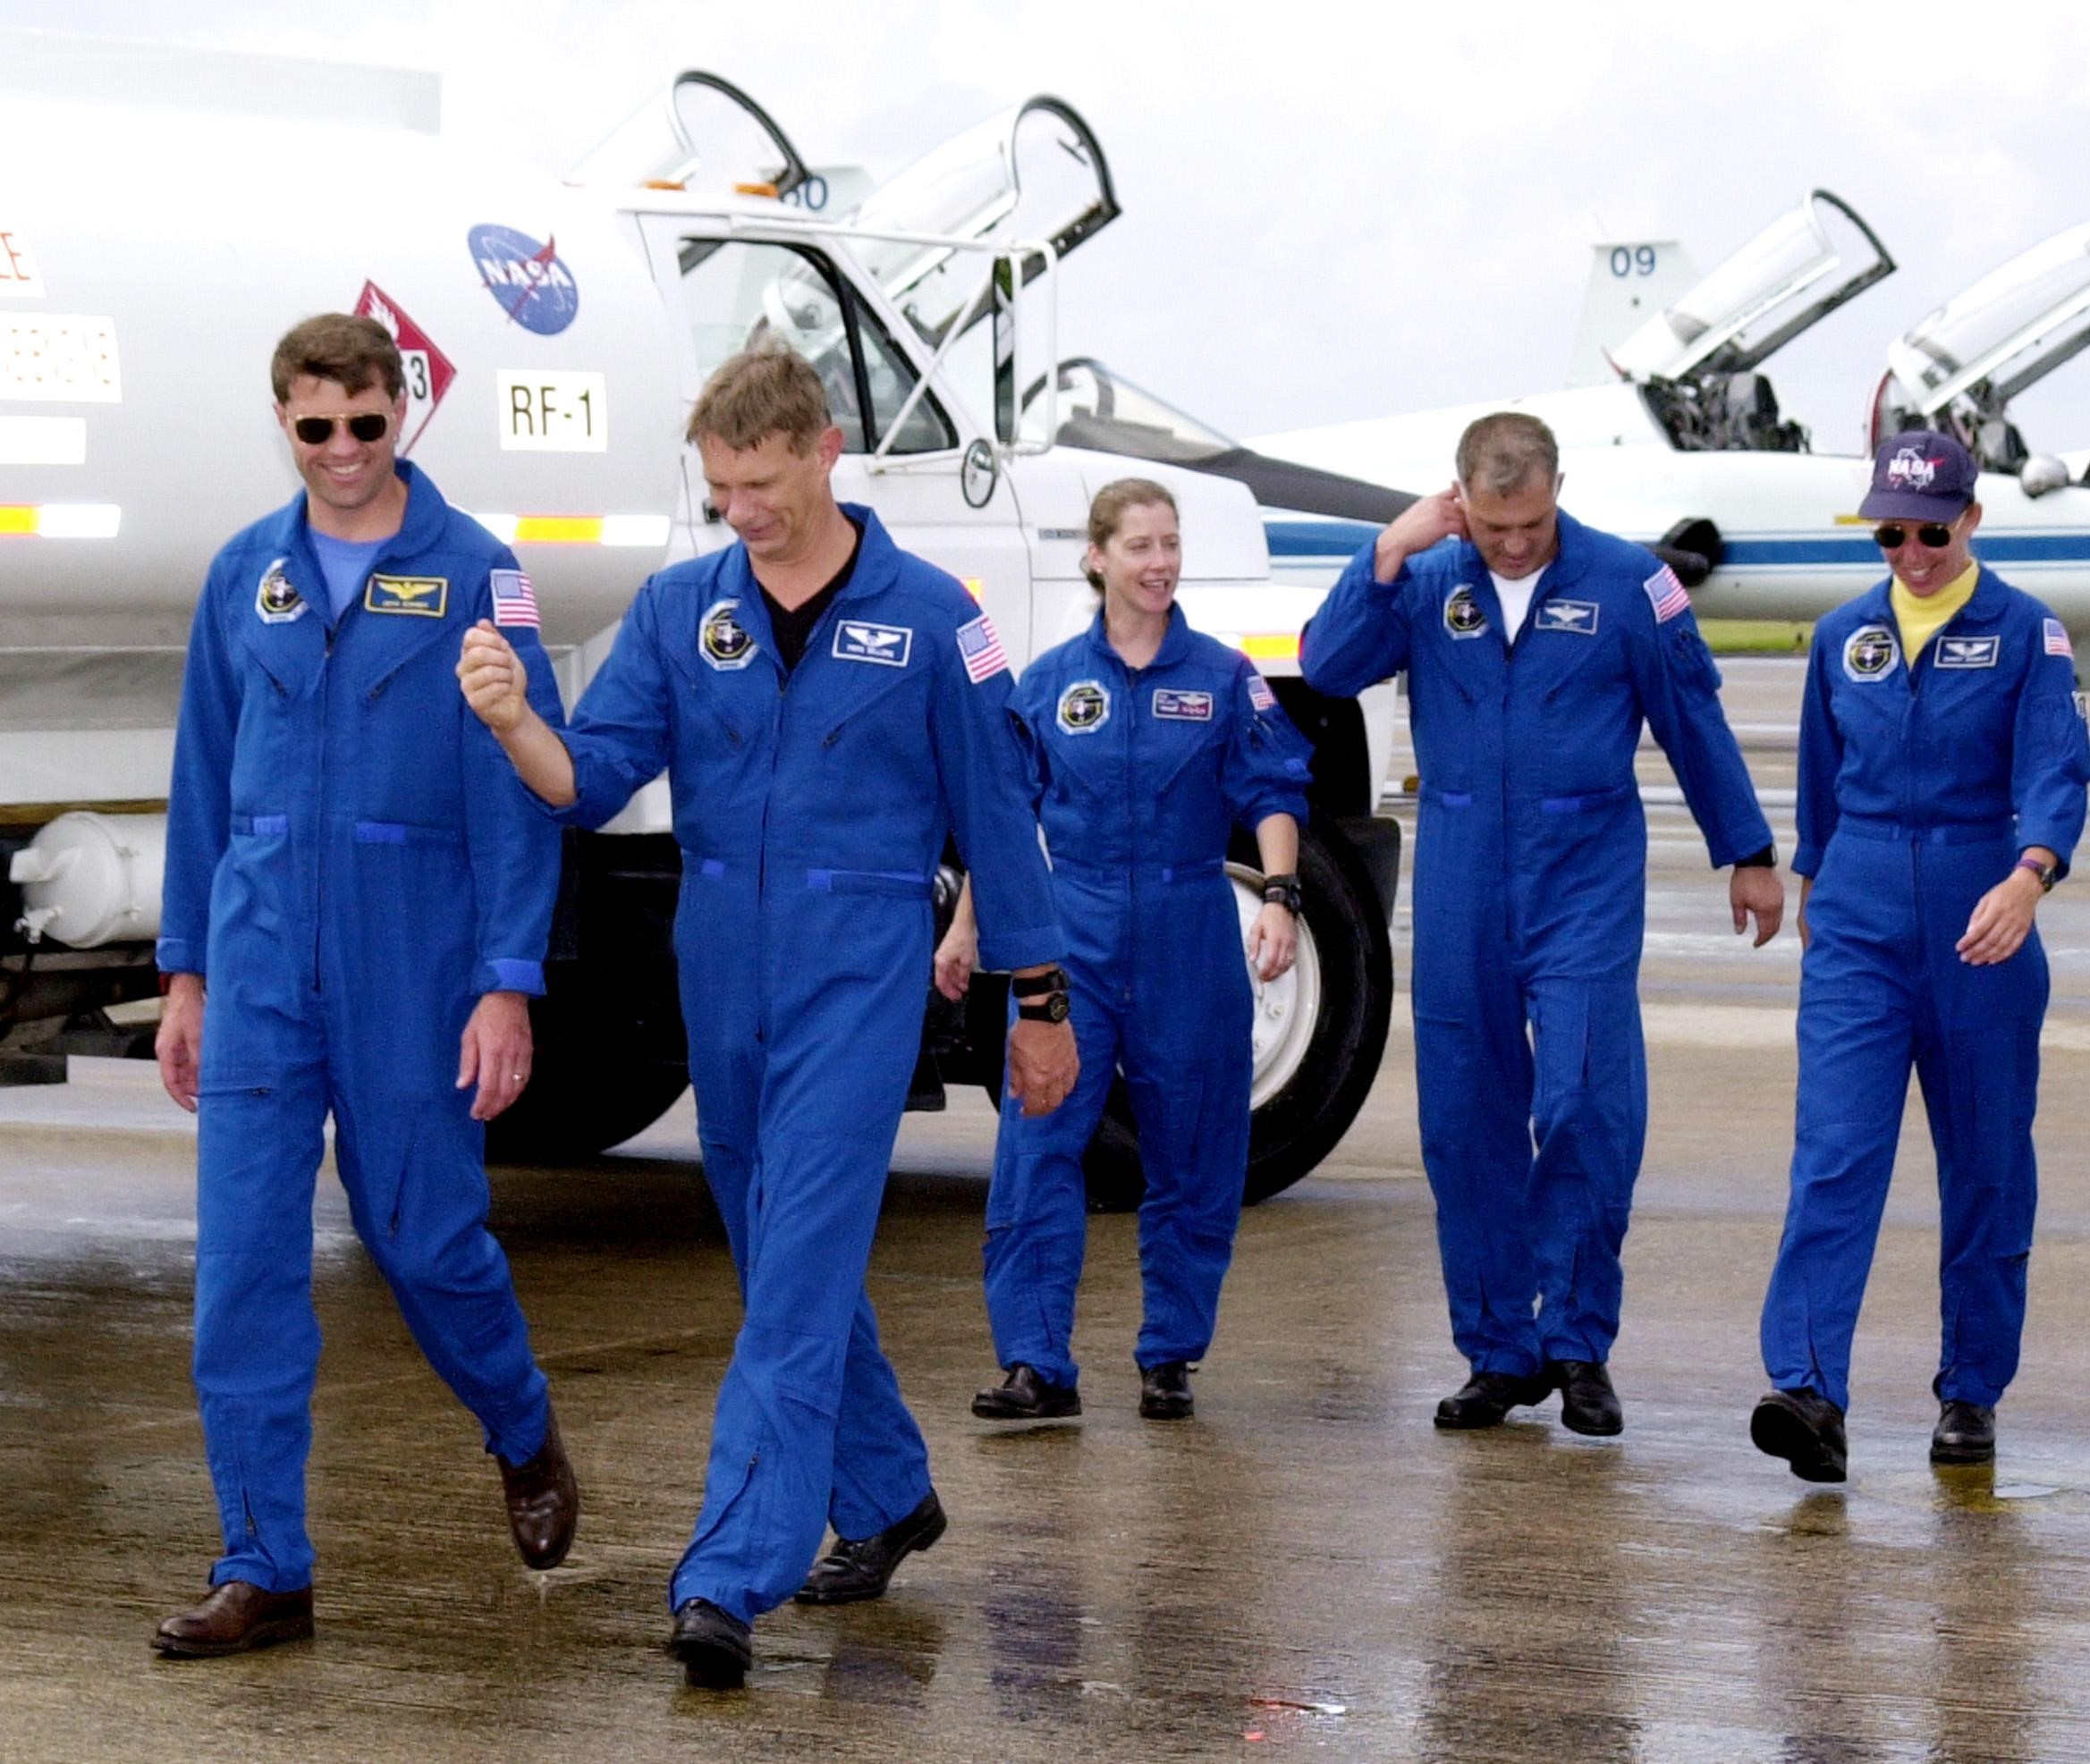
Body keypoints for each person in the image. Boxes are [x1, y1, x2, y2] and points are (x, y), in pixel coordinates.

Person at [455, 348, 1079, 1686]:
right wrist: (513, 721)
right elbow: (589, 778)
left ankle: (729, 1573)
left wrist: (1040, 1000)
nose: (742, 511)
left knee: (792, 1280)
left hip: (859, 974)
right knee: (776, 1255)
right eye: (721, 489)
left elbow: (998, 819)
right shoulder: (681, 608)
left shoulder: (937, 618)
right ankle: (890, 1490)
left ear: (825, 451)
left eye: (763, 484)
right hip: (721, 968)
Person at [151, 314, 579, 1658]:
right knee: (242, 1271)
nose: (342, 449)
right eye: (315, 426)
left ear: (403, 414)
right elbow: (203, 780)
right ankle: (262, 1563)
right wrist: (185, 973)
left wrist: (505, 981)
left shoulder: (479, 572)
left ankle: (520, 1424)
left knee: (424, 1243)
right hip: (261, 963)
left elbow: (522, 781)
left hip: (416, 964)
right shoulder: (246, 574)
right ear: (284, 422)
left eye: (366, 423)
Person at [1302, 411, 1779, 1436]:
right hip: (1463, 872)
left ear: (1558, 489)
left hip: (1582, 875)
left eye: (1530, 523)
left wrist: (1746, 850)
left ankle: (1577, 1340)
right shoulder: (1425, 579)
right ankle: (1498, 1351)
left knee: (1583, 1101)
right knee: (1465, 1115)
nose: (1514, 544)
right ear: (1459, 500)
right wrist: (1385, 553)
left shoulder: (1630, 583)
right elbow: (1329, 666)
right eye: (1493, 526)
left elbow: (1692, 716)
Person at [1750, 430, 2090, 1483]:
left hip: (1979, 909)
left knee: (1986, 1164)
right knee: (1834, 1153)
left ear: (1971, 520)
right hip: (1858, 916)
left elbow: (2058, 768)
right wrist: (1815, 884)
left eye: (1931, 533)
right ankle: (1809, 1388)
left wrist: (2031, 874)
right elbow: (1820, 777)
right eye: (1890, 534)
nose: (1911, 553)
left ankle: (1971, 1389)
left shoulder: (2027, 632)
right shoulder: (1842, 635)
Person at [943, 477, 1313, 1423]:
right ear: (1097, 556)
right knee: (1039, 1143)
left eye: (1170, 544)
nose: (1160, 563)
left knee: (1195, 1149)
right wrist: (968, 923)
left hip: (1191, 930)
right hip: (1073, 933)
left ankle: (1171, 1353)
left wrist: (1279, 895)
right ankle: (1036, 1363)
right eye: (1140, 545)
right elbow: (1004, 816)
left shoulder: (1225, 677)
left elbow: (1274, 789)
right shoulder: (1050, 682)